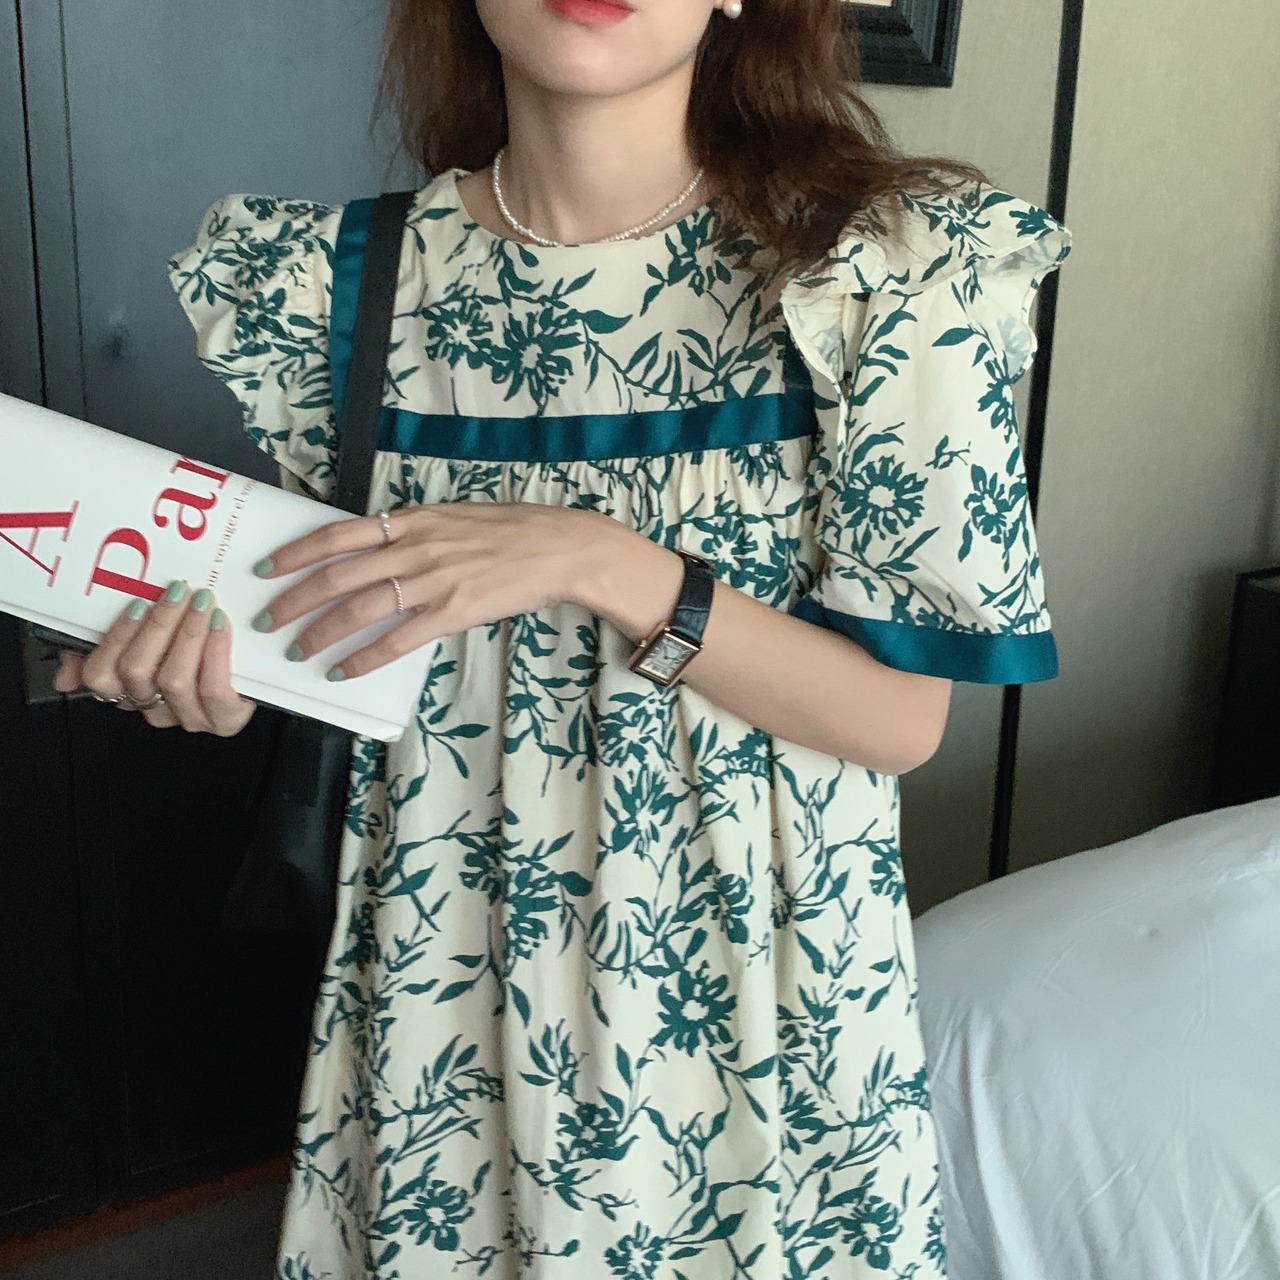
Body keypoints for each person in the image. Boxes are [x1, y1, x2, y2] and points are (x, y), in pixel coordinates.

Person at [56, 0, 1071, 1274]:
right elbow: (353, 636)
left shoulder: (879, 274)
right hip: (444, 984)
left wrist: (599, 560)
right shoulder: (340, 284)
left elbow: (897, 718)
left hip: (755, 1000)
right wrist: (212, 681)